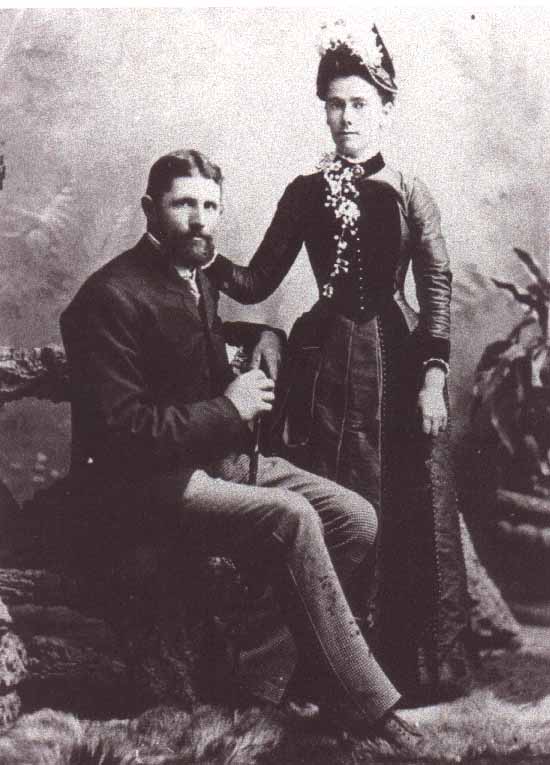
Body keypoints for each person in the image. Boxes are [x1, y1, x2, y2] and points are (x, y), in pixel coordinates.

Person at [60, 149, 422, 754]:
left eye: (210, 206)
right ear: (150, 210)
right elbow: (122, 434)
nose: (199, 219)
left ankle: (254, 680)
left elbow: (184, 347)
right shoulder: (108, 296)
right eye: (183, 204)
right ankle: (369, 704)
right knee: (293, 516)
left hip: (207, 463)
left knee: (356, 518)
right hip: (139, 488)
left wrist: (267, 335)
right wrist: (230, 409)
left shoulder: (194, 276)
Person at [206, 20, 475, 703]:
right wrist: (200, 256)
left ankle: (402, 668)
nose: (347, 117)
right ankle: (322, 665)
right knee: (330, 498)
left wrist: (434, 378)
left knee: (404, 500)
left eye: (359, 103)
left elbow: (436, 286)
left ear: (385, 107)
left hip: (396, 360)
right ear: (323, 109)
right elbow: (257, 279)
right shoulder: (304, 191)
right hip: (321, 365)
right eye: (335, 104)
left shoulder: (409, 190)